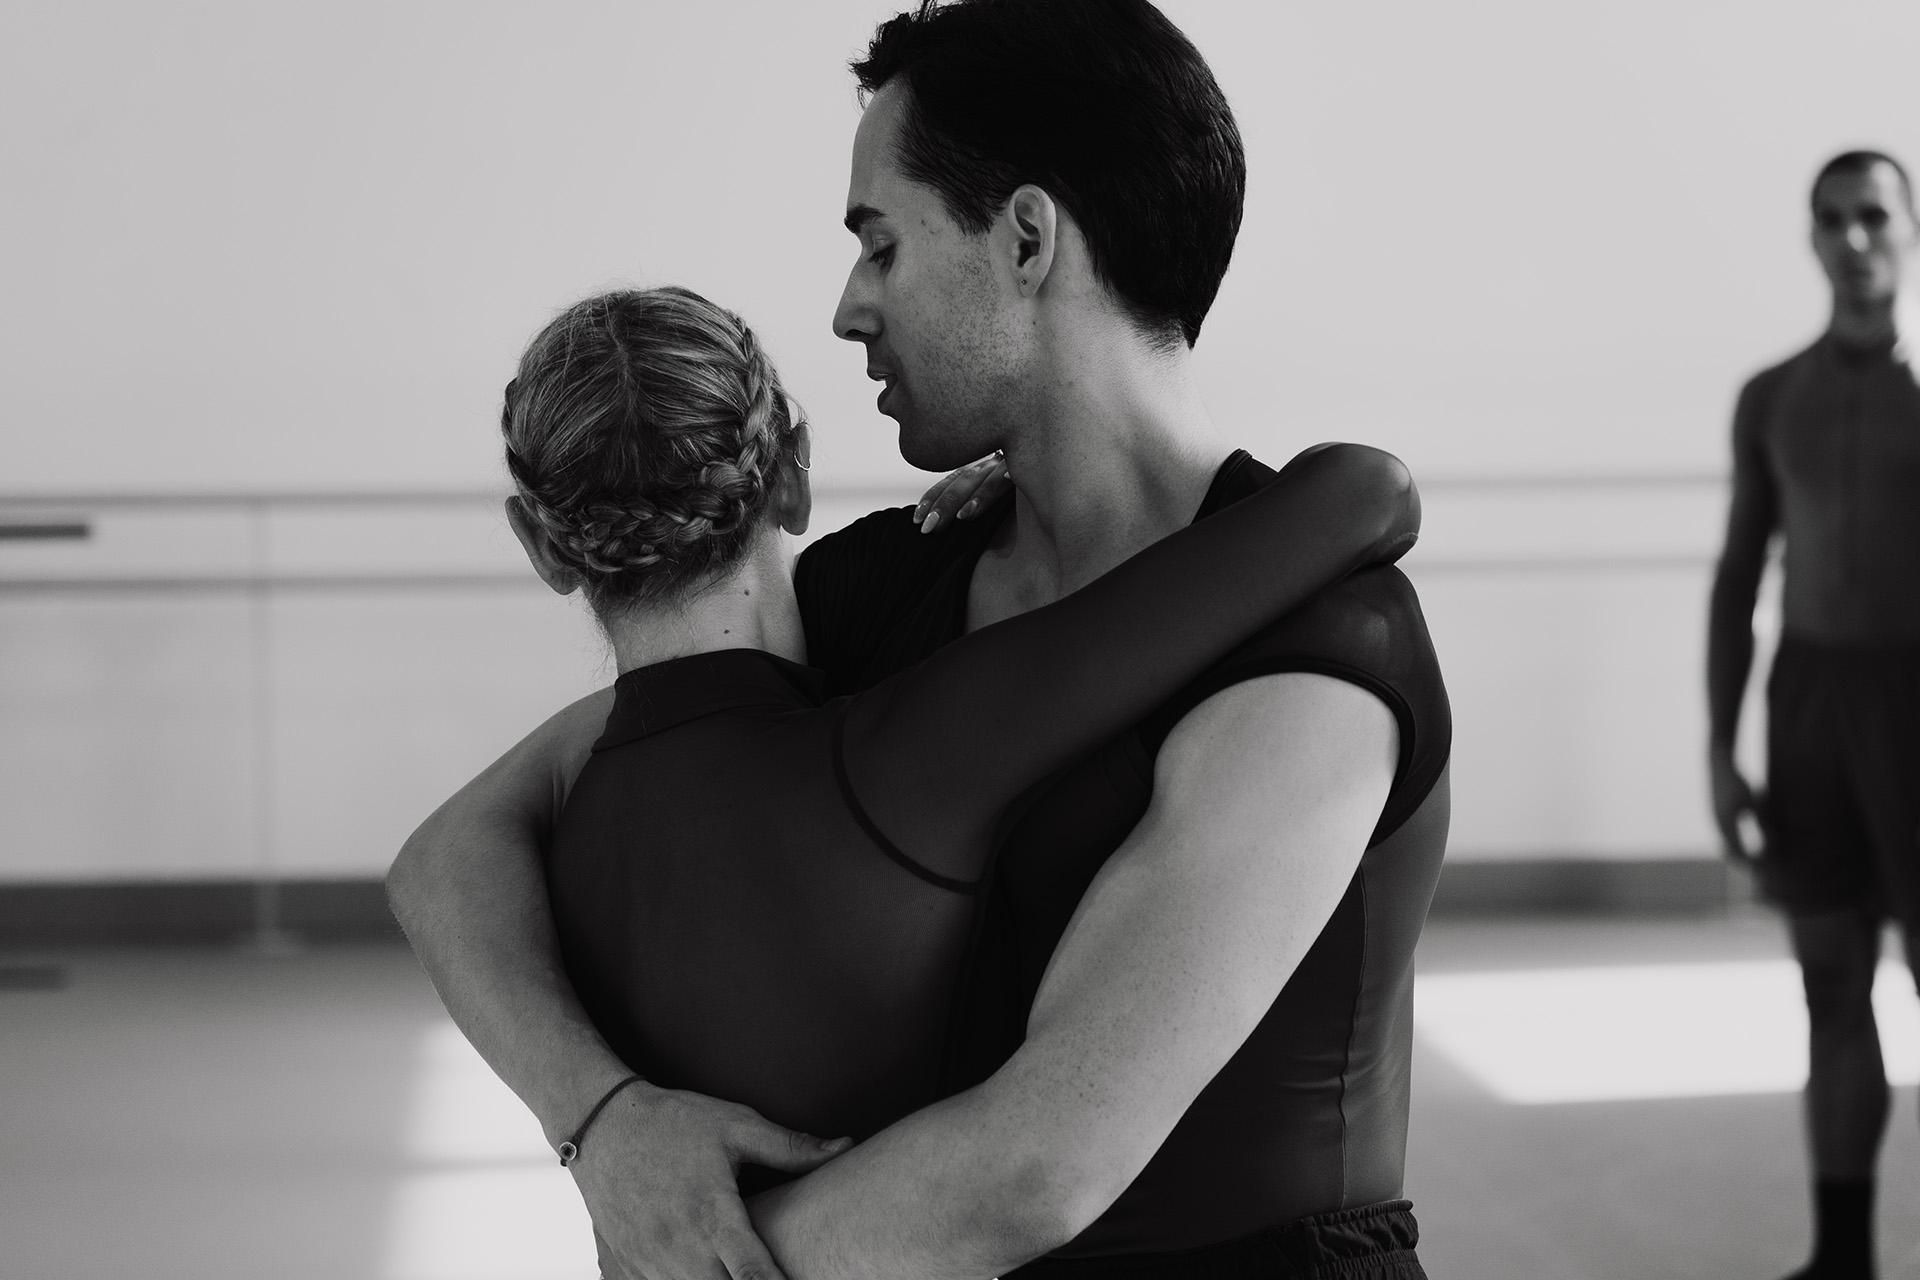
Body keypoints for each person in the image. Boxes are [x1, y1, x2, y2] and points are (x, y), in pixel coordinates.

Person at [387, 3, 1452, 1278]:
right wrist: (605, 1120)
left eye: (880, 245)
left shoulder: (1323, 648)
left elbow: (1033, 1169)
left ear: (1026, 239)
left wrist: (688, 1259)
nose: (849, 309)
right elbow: (460, 847)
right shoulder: (886, 581)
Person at [496, 281, 1415, 1269]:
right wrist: (1038, 482)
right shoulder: (905, 757)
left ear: (543, 546)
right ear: (793, 478)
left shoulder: (538, 842)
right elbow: (1362, 493)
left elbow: (437, 856)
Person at [1708, 148, 1920, 1280]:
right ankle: (1842, 1256)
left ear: (1910, 228)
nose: (1854, 238)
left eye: (1873, 215)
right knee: (1830, 984)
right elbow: (1740, 577)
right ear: (1811, 237)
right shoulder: (1772, 396)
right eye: (1832, 219)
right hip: (1810, 710)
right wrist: (1719, 743)